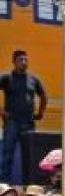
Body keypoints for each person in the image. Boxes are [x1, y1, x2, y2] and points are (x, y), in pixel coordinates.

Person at [0, 50, 47, 182]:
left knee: (30, 156)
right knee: (7, 155)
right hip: (12, 122)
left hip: (29, 123)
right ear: (14, 62)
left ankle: (29, 184)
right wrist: (2, 112)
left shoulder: (33, 79)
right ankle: (3, 186)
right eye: (21, 60)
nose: (24, 62)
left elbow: (43, 95)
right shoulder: (6, 78)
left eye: (26, 60)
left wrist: (41, 113)